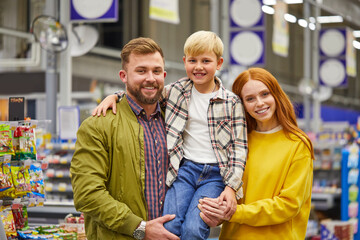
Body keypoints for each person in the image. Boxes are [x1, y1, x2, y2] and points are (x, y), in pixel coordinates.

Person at [92, 30, 248, 240]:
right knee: (170, 224)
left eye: (206, 61)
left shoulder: (231, 102)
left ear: (219, 63)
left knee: (194, 229)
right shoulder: (176, 92)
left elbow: (239, 148)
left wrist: (231, 187)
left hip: (214, 175)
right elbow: (144, 92)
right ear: (184, 62)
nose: (198, 66)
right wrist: (114, 96)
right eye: (192, 60)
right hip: (184, 170)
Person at [70, 37, 179, 240]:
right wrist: (140, 228)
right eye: (141, 71)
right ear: (124, 75)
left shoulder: (176, 121)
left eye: (156, 71)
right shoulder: (98, 125)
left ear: (164, 75)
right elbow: (87, 193)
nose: (150, 78)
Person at [198, 67, 314, 240]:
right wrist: (217, 214)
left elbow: (289, 205)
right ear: (241, 104)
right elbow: (227, 195)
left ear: (276, 95)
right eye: (250, 99)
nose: (259, 103)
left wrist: (235, 213)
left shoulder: (297, 144)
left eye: (265, 94)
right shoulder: (237, 142)